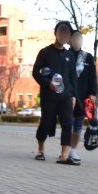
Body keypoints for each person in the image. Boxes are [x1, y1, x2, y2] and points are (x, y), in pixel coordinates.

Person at [32, 20, 79, 165]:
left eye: (67, 33)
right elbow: (36, 72)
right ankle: (41, 150)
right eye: (61, 32)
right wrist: (48, 83)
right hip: (49, 96)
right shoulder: (45, 52)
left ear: (69, 37)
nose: (63, 35)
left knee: (67, 124)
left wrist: (74, 96)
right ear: (56, 33)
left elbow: (72, 78)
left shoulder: (70, 56)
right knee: (45, 123)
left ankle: (64, 156)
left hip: (66, 97)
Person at [69, 30, 98, 161]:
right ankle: (65, 150)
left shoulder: (87, 57)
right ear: (70, 40)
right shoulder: (65, 55)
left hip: (83, 97)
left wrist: (93, 93)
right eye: (75, 38)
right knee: (67, 124)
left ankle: (72, 150)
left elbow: (93, 77)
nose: (77, 41)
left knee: (78, 125)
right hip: (68, 96)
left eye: (80, 38)